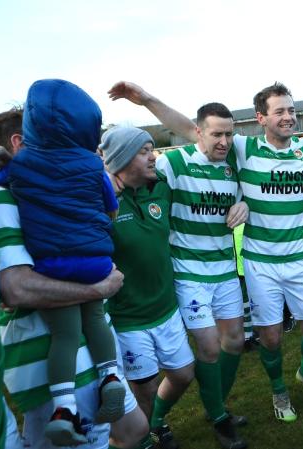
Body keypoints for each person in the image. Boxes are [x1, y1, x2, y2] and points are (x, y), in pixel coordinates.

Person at [109, 80, 303, 424]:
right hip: (225, 267)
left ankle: (291, 378)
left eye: (291, 110)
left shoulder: (299, 151)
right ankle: (229, 408)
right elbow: (190, 131)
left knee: (288, 335)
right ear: (262, 118)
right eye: (279, 111)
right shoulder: (215, 155)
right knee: (230, 344)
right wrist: (147, 101)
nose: (288, 116)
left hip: (263, 264)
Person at [0, 107, 150, 449]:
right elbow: (17, 289)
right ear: (20, 143)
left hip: (89, 343)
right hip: (40, 348)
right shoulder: (4, 199)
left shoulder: (47, 190)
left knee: (134, 429)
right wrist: (99, 286)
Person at [153, 102, 249, 448]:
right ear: (198, 132)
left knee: (235, 341)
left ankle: (214, 406)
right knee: (208, 347)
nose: (224, 141)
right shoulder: (173, 163)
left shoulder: (234, 165)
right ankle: (206, 419)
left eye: (229, 134)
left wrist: (245, 205)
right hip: (187, 271)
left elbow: (245, 196)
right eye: (216, 134)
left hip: (224, 267)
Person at [100, 126, 201, 449]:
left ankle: (152, 423)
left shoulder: (160, 188)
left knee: (184, 374)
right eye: (144, 150)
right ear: (122, 158)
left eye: (150, 148)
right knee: (144, 390)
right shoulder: (101, 201)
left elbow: (198, 136)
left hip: (167, 309)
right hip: (129, 319)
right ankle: (141, 439)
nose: (153, 155)